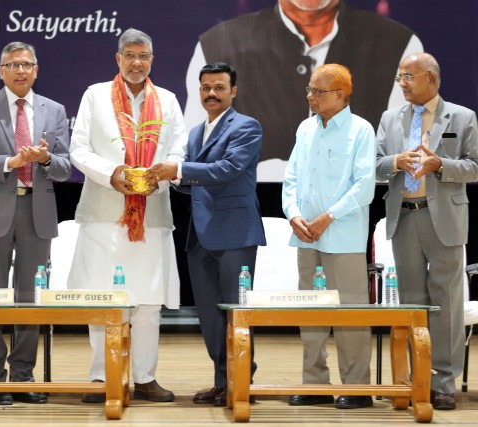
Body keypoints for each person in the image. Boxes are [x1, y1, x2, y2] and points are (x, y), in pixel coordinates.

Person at [68, 28, 186, 403]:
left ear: (152, 60)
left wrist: (160, 176)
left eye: (143, 56)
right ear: (118, 59)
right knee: (101, 298)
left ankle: (145, 377)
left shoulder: (167, 100)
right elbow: (78, 149)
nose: (137, 62)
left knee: (148, 302)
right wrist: (113, 173)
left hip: (151, 214)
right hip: (103, 212)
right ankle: (101, 376)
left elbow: (179, 150)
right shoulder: (95, 95)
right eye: (130, 55)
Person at [185, 0, 423, 181]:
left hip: (353, 215)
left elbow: (404, 163)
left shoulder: (397, 44)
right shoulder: (217, 44)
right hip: (252, 215)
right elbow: (196, 158)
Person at [0, 41, 71, 406]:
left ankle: (23, 376)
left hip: (38, 211)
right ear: (1, 70)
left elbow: (66, 168)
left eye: (26, 64)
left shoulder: (54, 110)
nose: (20, 70)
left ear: (36, 70)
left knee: (31, 298)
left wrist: (46, 159)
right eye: (12, 64)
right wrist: (10, 162)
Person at [150, 62, 266, 406]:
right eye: (206, 88)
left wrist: (178, 170)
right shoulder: (196, 132)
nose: (211, 93)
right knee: (209, 315)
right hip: (199, 236)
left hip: (235, 234)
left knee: (236, 312)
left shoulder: (246, 126)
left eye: (219, 87)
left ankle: (240, 382)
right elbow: (193, 182)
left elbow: (227, 169)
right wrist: (166, 179)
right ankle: (221, 380)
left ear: (233, 91)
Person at [376, 52, 478, 410]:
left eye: (408, 76)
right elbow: (374, 165)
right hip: (404, 217)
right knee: (412, 302)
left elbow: (474, 167)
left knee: (446, 303)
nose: (402, 83)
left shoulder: (462, 117)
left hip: (445, 219)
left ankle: (444, 383)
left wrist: (440, 165)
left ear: (431, 78)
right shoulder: (390, 118)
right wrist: (395, 162)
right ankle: (418, 378)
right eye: (399, 77)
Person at [282, 63, 375, 409]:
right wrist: (293, 214)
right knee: (310, 313)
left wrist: (327, 217)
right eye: (309, 89)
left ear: (340, 94)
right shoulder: (306, 128)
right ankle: (315, 385)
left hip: (343, 237)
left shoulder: (360, 130)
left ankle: (358, 389)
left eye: (317, 91)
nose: (310, 96)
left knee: (350, 314)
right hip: (306, 236)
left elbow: (364, 186)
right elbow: (291, 177)